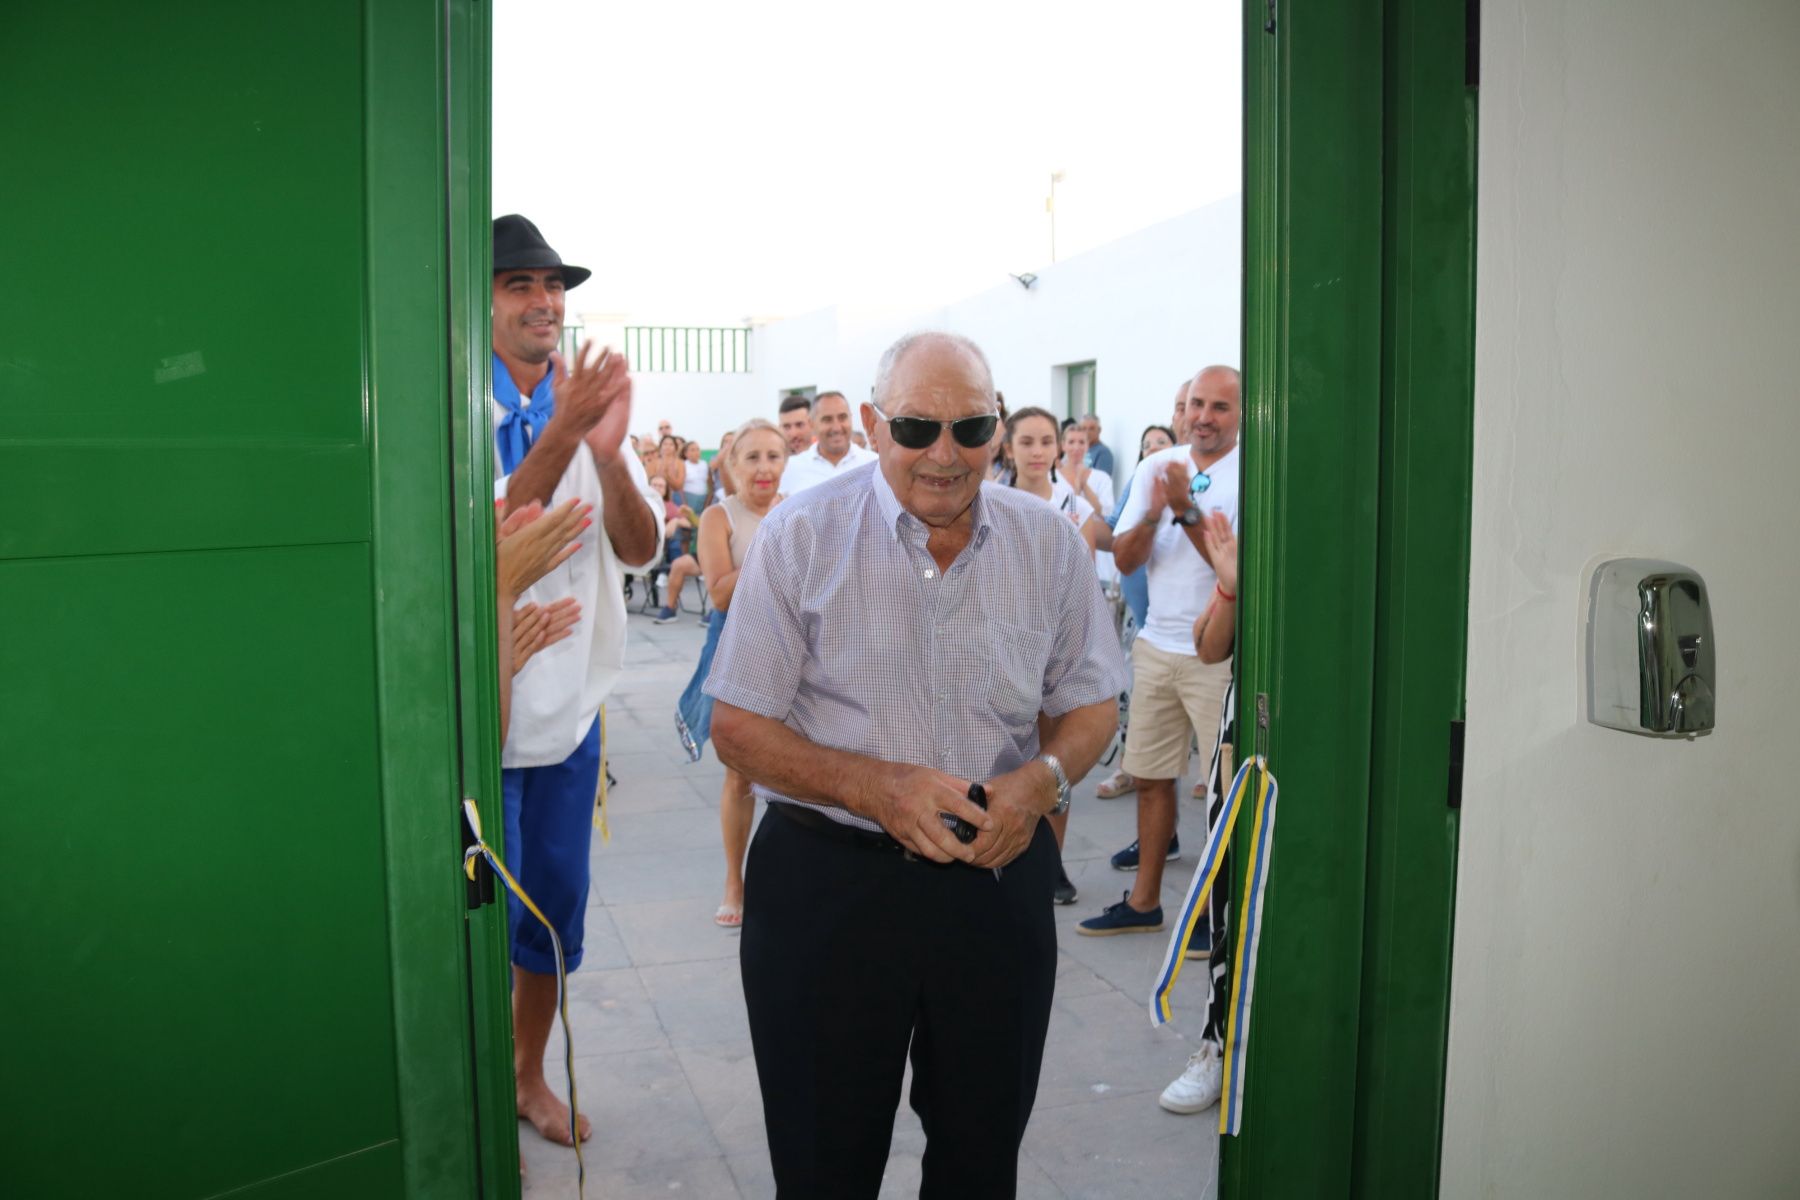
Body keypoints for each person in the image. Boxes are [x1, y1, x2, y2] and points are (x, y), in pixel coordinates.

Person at [707, 331, 1125, 1197]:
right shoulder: (801, 536)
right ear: (871, 422)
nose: (945, 453)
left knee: (981, 1161)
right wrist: (877, 786)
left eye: (971, 428)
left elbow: (1091, 705)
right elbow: (737, 727)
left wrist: (1041, 782)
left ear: (999, 428)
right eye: (916, 427)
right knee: (824, 1162)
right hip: (827, 886)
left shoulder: (1048, 545)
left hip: (994, 878)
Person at [488, 214, 661, 1144]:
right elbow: (493, 534)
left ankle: (526, 1078)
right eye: (518, 284)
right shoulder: (449, 406)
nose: (544, 302)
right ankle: (471, 1097)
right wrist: (564, 433)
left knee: (551, 915)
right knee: (475, 924)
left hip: (567, 719)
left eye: (553, 286)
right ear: (477, 303)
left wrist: (605, 457)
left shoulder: (592, 417)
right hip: (481, 716)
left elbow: (638, 549)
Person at [1078, 366, 1239, 938]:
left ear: (1242, 413)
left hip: (1216, 657)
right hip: (1154, 646)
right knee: (1148, 777)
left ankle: (1217, 917)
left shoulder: (1254, 474)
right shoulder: (1154, 467)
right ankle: (1145, 903)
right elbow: (1124, 560)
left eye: (1220, 407)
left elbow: (1232, 570)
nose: (1204, 417)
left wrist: (1184, 507)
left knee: (1223, 795)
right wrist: (1153, 508)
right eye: (1196, 404)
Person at [673, 418, 790, 926]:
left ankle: (791, 880)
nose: (764, 468)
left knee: (800, 771)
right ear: (732, 465)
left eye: (773, 456)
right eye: (753, 457)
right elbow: (720, 592)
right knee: (739, 772)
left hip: (793, 649)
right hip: (737, 648)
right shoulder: (721, 517)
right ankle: (734, 881)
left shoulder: (796, 510)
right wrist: (776, 547)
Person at [999, 406, 1109, 907]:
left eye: (1047, 441)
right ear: (1010, 448)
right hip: (1002, 643)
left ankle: (1051, 863)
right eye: (1028, 441)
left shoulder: (1073, 506)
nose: (1039, 451)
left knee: (1052, 757)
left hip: (1052, 648)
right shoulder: (990, 500)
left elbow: (1084, 577)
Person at [1160, 507, 1239, 1115]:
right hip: (1248, 747)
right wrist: (1230, 587)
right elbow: (1209, 647)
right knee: (1229, 900)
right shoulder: (1250, 531)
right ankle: (1217, 1045)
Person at [1094, 423, 1177, 800]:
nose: (1152, 449)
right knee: (1130, 693)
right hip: (1139, 617)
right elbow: (1111, 534)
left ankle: (1209, 782)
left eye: (1161, 442)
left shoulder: (1197, 478)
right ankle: (1129, 768)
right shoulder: (1138, 482)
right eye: (1146, 445)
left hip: (1183, 624)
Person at [778, 390, 877, 495]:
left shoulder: (874, 464)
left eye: (842, 417)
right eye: (827, 419)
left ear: (851, 419)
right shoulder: (791, 468)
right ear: (812, 424)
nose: (836, 427)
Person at [650, 474, 701, 623]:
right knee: (677, 560)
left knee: (674, 544)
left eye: (661, 486)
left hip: (661, 548)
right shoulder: (639, 504)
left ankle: (718, 610)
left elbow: (692, 523)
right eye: (654, 485)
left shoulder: (670, 507)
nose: (657, 489)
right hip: (641, 547)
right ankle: (670, 608)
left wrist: (676, 520)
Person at [681, 440, 711, 512]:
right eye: (692, 450)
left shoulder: (704, 464)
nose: (696, 452)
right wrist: (684, 502)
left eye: (698, 449)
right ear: (686, 453)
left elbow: (709, 483)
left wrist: (708, 500)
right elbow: (680, 486)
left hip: (703, 497)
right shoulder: (683, 465)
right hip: (689, 497)